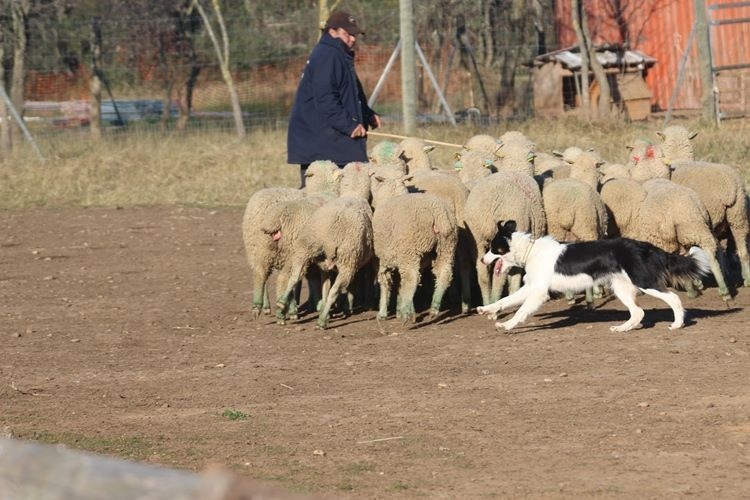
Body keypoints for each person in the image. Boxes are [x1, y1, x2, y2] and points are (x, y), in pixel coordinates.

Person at [287, 10, 382, 187]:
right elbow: (326, 98)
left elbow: (350, 93)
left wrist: (367, 114)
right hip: (321, 143)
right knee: (319, 197)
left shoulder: (339, 55)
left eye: (354, 35)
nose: (353, 39)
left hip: (332, 141)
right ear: (332, 31)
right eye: (348, 34)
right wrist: (349, 125)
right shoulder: (326, 55)